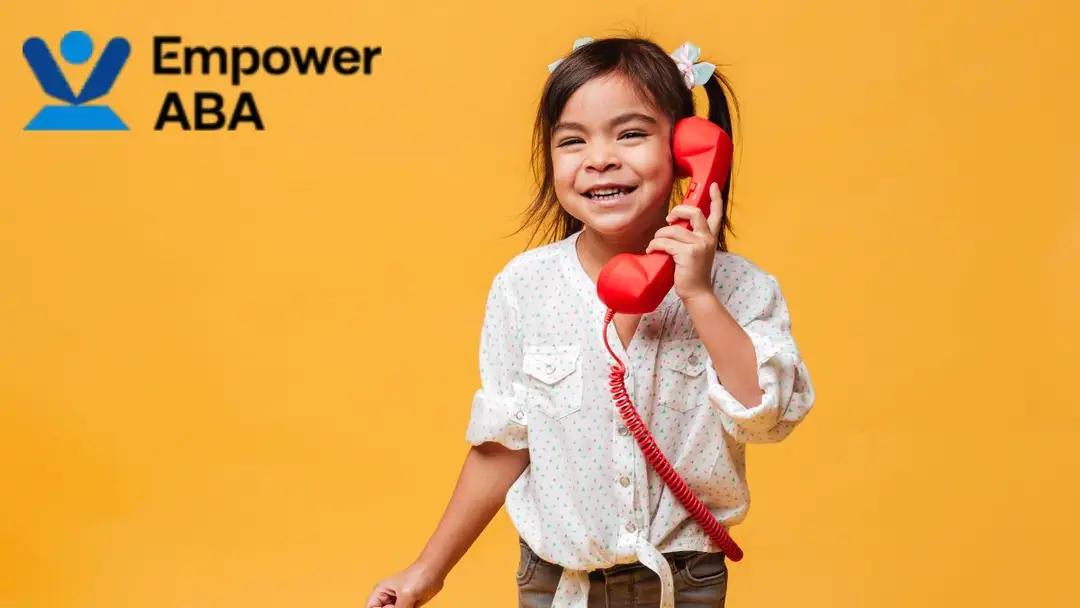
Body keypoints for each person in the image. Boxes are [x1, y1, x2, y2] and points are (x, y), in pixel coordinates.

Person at [365, 35, 816, 608]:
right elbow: (504, 445)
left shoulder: (741, 288)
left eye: (630, 133)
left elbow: (766, 415)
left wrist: (698, 294)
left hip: (682, 582)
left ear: (686, 151)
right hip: (557, 584)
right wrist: (427, 571)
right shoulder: (524, 287)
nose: (599, 157)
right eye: (572, 141)